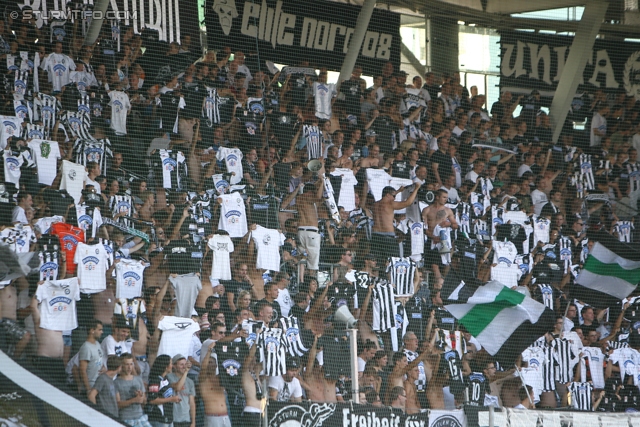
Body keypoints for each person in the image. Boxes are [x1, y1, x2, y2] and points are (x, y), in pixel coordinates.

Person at [371, 183, 421, 261]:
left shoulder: (375, 204)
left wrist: (398, 191)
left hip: (375, 236)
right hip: (388, 237)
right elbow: (408, 203)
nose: (394, 198)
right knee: (393, 261)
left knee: (377, 261)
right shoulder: (390, 204)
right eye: (394, 196)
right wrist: (416, 188)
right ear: (387, 195)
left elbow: (388, 196)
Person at [115, 353, 152, 427]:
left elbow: (144, 401)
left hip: (140, 416)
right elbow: (117, 404)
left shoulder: (138, 379)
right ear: (121, 365)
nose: (129, 367)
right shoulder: (116, 382)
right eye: (126, 364)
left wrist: (141, 396)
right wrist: (134, 400)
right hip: (126, 419)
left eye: (131, 364)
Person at [147, 355, 182, 427]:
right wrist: (171, 399)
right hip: (158, 418)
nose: (172, 366)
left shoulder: (165, 379)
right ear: (166, 366)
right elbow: (152, 400)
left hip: (168, 417)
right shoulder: (155, 380)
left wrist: (173, 398)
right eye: (171, 363)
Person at [167, 354, 196, 427]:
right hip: (173, 418)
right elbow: (177, 388)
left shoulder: (190, 382)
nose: (184, 367)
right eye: (181, 365)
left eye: (185, 364)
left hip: (186, 419)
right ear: (174, 366)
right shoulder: (169, 377)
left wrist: (193, 422)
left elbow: (192, 403)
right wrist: (186, 372)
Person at [78, 319, 105, 397]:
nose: (102, 332)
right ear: (92, 330)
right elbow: (82, 370)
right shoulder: (86, 347)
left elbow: (100, 360)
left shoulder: (98, 344)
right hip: (91, 387)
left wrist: (103, 368)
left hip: (98, 385)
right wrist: (88, 389)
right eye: (99, 330)